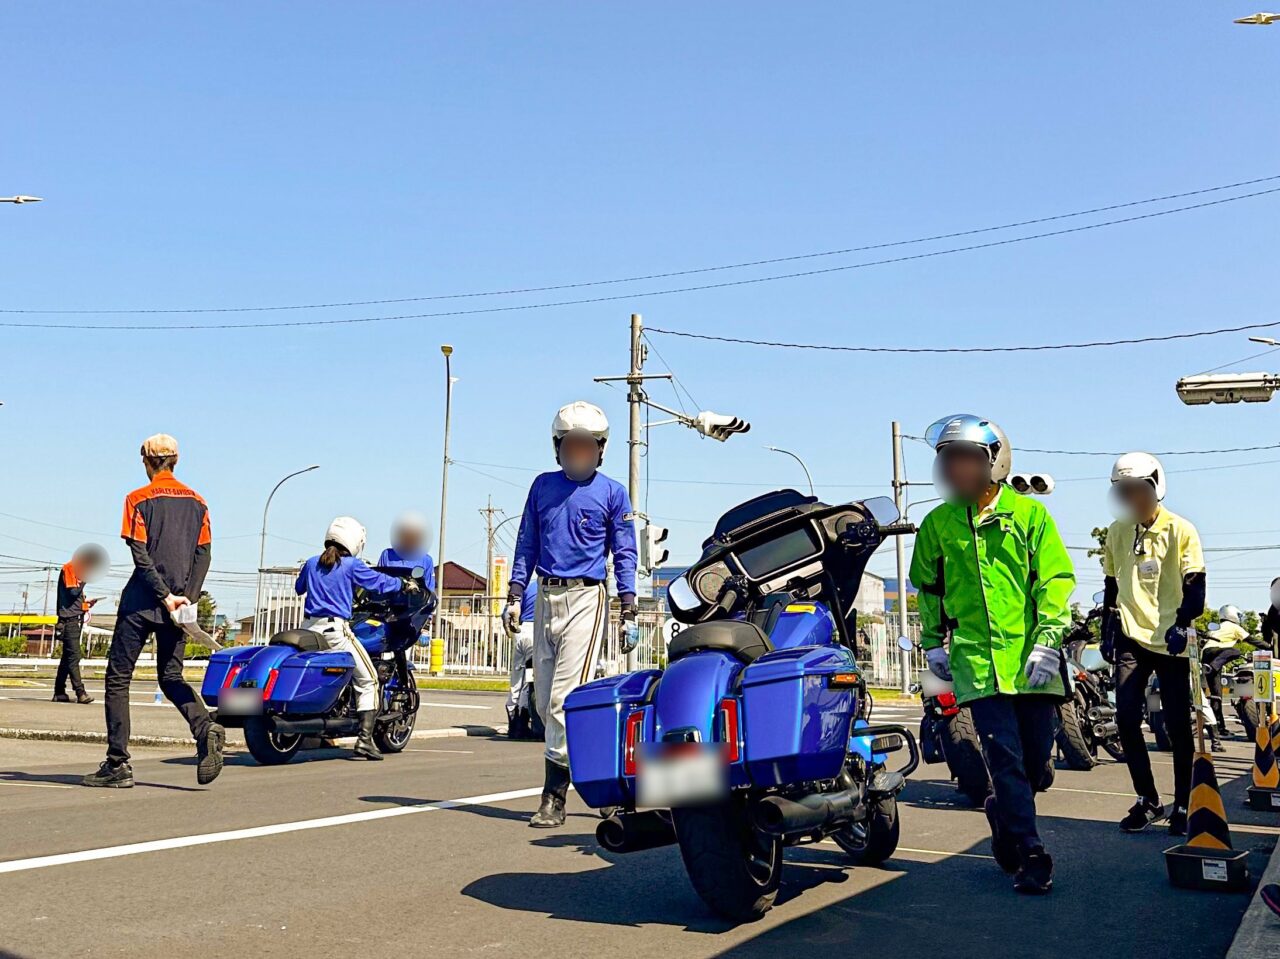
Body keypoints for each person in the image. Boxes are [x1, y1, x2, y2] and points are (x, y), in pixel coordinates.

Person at [910, 413, 1074, 895]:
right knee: (1004, 760)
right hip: (977, 665)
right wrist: (932, 645)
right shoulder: (938, 525)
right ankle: (1032, 852)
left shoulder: (1030, 516)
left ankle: (1004, 816)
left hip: (1033, 662)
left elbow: (1055, 580)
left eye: (966, 459)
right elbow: (930, 589)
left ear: (993, 462)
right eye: (949, 461)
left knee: (1037, 766)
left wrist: (1049, 638)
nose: (957, 469)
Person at [505, 401, 639, 828]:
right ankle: (608, 779)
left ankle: (553, 798)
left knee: (564, 700)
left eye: (587, 446)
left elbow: (625, 551)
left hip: (587, 597)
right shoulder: (542, 487)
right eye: (570, 446)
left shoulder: (613, 493)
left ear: (600, 450)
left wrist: (629, 607)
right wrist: (513, 594)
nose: (577, 453)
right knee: (545, 706)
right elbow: (526, 543)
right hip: (544, 596)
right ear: (557, 448)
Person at [83, 435, 223, 788]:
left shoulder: (137, 499)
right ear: (177, 460)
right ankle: (205, 728)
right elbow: (203, 554)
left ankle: (117, 764)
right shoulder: (198, 502)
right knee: (171, 676)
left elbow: (140, 554)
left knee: (118, 679)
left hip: (140, 604)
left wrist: (162, 595)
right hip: (178, 608)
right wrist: (185, 597)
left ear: (146, 461)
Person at [1101, 451, 1205, 837]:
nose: (1133, 497)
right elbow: (1112, 584)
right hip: (1132, 634)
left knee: (1178, 725)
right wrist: (1108, 627)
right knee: (1126, 719)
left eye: (1138, 489)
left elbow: (1196, 585)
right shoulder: (1116, 531)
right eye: (1124, 491)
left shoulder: (1181, 530)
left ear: (1155, 487)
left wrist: (1183, 623)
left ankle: (1182, 802)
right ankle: (1148, 799)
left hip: (1171, 638)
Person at [296, 516, 421, 761]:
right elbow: (379, 583)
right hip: (335, 631)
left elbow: (300, 588)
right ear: (354, 541)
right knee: (369, 681)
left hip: (307, 629)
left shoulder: (312, 563)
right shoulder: (352, 565)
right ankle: (364, 740)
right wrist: (403, 585)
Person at [52, 544, 107, 704]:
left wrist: (86, 604)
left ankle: (59, 691)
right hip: (69, 620)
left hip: (75, 617)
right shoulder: (70, 568)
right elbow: (72, 593)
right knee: (74, 655)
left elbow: (74, 598)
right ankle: (80, 692)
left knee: (68, 657)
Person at [1202, 604, 1250, 744]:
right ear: (1231, 614)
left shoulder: (1217, 627)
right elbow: (1251, 639)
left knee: (1216, 696)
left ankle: (1220, 728)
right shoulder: (1233, 626)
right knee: (1236, 651)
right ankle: (1212, 666)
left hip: (1206, 655)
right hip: (1216, 655)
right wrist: (1268, 646)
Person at [505, 577, 538, 725]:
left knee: (517, 676)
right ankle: (523, 721)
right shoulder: (546, 590)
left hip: (520, 631)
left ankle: (512, 716)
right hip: (536, 632)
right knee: (529, 680)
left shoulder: (525, 588)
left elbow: (506, 613)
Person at [378, 510, 437, 592]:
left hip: (414, 603)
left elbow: (429, 591)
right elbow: (379, 582)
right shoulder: (387, 555)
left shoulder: (426, 560)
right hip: (388, 601)